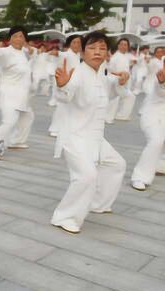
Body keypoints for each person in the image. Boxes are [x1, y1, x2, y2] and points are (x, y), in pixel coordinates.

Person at [51, 31, 128, 234]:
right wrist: (62, 86)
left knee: (117, 164)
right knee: (86, 176)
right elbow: (66, 95)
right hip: (74, 136)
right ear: (83, 52)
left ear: (107, 53)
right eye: (92, 48)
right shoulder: (77, 73)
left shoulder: (102, 74)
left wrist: (121, 82)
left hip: (95, 137)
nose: (97, 52)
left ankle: (98, 203)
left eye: (102, 48)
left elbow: (112, 91)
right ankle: (64, 216)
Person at [0, 26, 34, 160]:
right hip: (8, 94)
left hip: (22, 95)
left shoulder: (23, 53)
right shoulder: (7, 52)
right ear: (9, 39)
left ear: (25, 40)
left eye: (21, 36)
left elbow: (34, 53)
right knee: (9, 121)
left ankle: (16, 140)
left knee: (28, 116)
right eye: (15, 36)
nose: (18, 39)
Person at [130, 46, 165, 191]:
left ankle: (159, 165)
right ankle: (140, 177)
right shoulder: (160, 78)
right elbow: (160, 92)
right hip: (152, 116)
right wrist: (162, 84)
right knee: (156, 141)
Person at [48, 34, 82, 137]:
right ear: (70, 44)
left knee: (72, 108)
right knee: (61, 107)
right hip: (64, 84)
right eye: (74, 42)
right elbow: (59, 54)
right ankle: (54, 129)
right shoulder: (66, 54)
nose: (77, 45)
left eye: (79, 43)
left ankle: (67, 128)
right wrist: (55, 53)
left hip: (75, 84)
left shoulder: (79, 55)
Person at [107, 38, 137, 122]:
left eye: (125, 45)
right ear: (118, 45)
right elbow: (110, 71)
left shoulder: (125, 56)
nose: (124, 46)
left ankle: (121, 115)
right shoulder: (115, 57)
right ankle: (116, 116)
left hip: (124, 80)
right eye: (122, 44)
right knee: (125, 97)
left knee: (127, 97)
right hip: (116, 81)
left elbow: (127, 66)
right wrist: (120, 75)